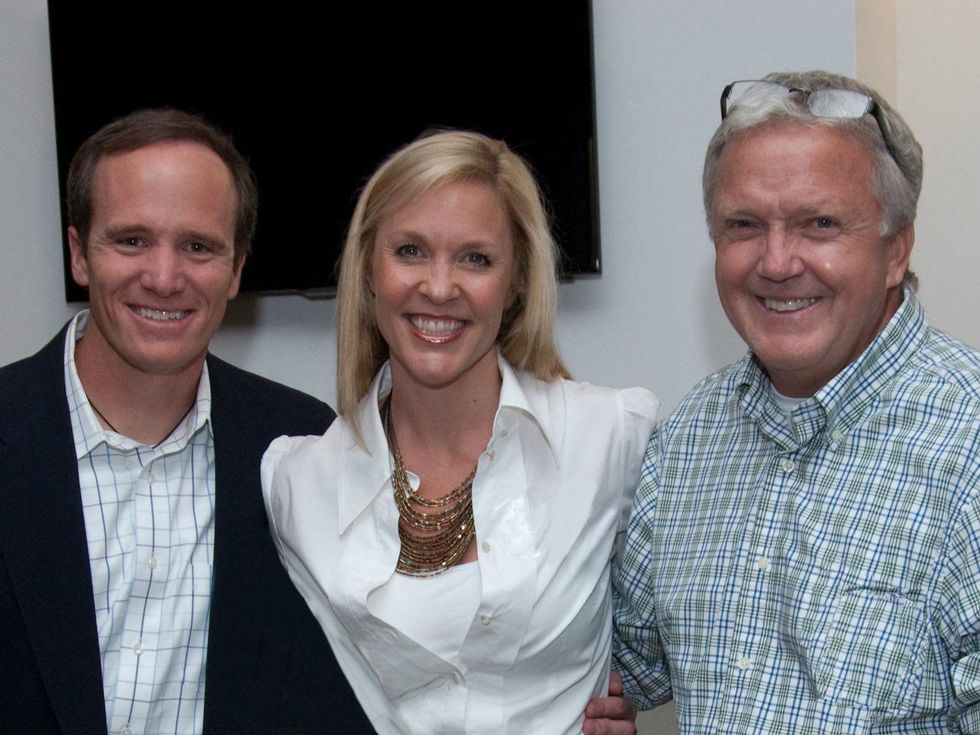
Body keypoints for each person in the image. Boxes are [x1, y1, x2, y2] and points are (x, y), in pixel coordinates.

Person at [610, 70, 980, 733]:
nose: (777, 262)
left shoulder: (969, 443)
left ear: (896, 250)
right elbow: (620, 669)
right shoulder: (688, 440)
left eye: (820, 224)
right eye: (744, 225)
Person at [261, 129, 659, 734]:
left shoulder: (613, 437)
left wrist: (627, 697)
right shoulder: (293, 483)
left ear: (517, 279)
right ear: (368, 268)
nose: (440, 287)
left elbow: (684, 635)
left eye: (476, 258)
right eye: (410, 251)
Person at [0, 109, 373, 734]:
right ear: (79, 253)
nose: (164, 278)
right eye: (132, 241)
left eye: (198, 247)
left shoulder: (304, 448)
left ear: (236, 271)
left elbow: (361, 677)